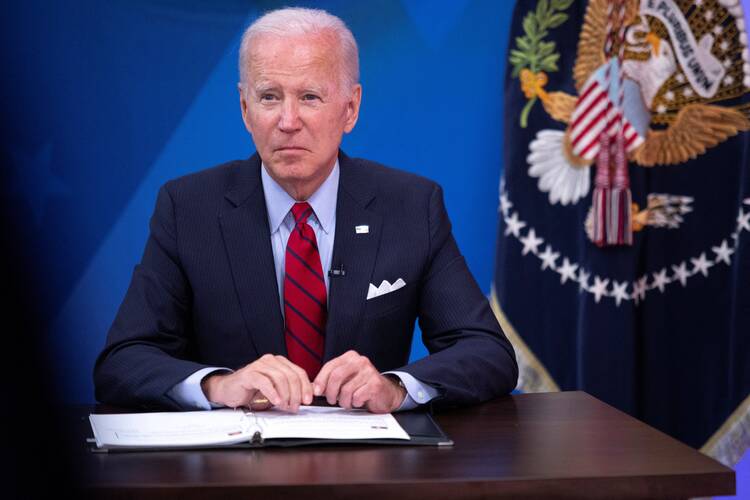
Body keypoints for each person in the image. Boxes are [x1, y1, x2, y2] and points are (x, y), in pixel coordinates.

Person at [94, 7, 517, 414]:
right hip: (233, 470)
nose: (288, 120)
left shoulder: (410, 206)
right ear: (245, 108)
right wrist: (219, 385)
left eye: (310, 97)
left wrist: (394, 388)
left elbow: (488, 352)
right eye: (269, 97)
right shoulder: (188, 208)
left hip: (372, 471)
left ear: (350, 108)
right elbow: (122, 361)